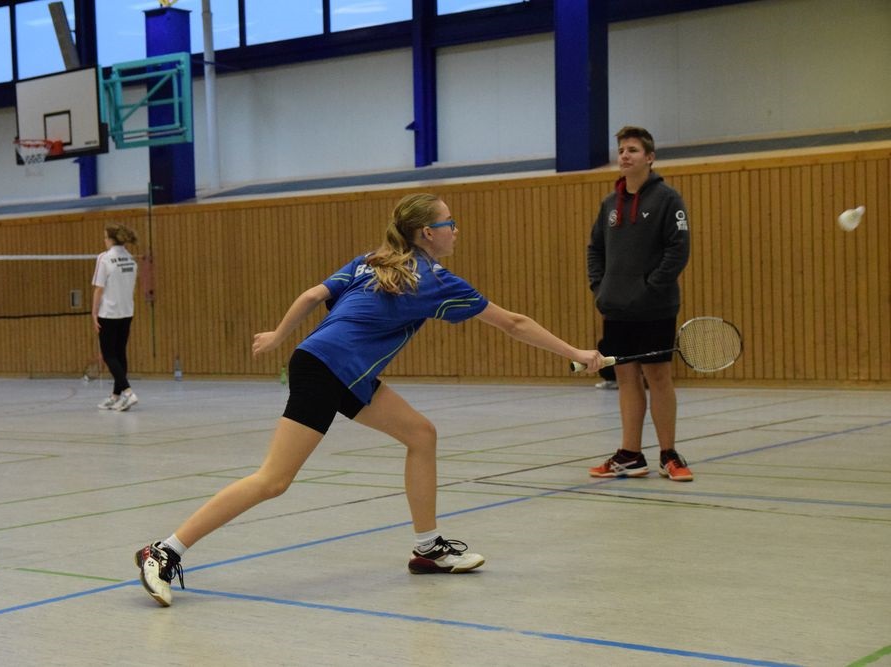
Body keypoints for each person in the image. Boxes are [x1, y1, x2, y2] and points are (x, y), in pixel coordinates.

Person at [134, 193, 604, 606]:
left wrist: (280, 335)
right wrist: (578, 353)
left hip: (337, 368)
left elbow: (312, 294)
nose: (455, 230)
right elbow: (514, 323)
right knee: (273, 479)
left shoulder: (371, 260)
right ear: (427, 233)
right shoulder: (433, 280)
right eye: (448, 223)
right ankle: (164, 550)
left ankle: (428, 548)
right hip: (328, 369)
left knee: (421, 434)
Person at [586, 126, 692, 482]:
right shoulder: (608, 205)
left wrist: (650, 289)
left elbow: (678, 250)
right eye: (621, 150)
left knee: (658, 378)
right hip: (616, 309)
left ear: (650, 157)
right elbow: (595, 249)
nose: (625, 155)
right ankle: (630, 455)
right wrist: (601, 288)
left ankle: (669, 454)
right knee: (626, 378)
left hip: (654, 309)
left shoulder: (667, 199)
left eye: (632, 150)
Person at [92, 224, 140, 411]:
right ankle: (115, 396)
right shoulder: (131, 259)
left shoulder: (104, 258)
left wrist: (94, 313)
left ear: (111, 239)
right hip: (126, 312)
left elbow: (99, 288)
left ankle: (128, 392)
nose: (104, 240)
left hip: (108, 314)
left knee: (109, 354)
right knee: (120, 354)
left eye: (105, 237)